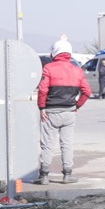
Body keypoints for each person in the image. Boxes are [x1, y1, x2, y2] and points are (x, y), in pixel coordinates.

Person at [35, 39, 92, 185]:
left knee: (47, 144)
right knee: (67, 144)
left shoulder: (48, 68)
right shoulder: (77, 70)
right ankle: (67, 174)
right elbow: (87, 91)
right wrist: (77, 106)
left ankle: (44, 176)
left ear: (54, 52)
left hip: (50, 112)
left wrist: (41, 107)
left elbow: (43, 90)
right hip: (69, 112)